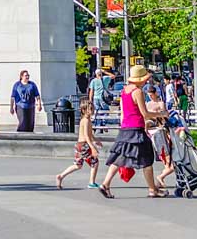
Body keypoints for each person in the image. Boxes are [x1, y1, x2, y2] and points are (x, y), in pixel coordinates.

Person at [98, 65, 164, 199]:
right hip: (136, 129)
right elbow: (144, 113)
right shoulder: (137, 92)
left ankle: (105, 184)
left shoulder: (124, 91)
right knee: (147, 159)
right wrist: (161, 114)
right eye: (145, 79)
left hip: (125, 128)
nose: (146, 82)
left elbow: (123, 111)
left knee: (119, 157)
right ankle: (152, 189)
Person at [56, 98, 101, 189]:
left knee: (78, 165)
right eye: (90, 109)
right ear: (84, 110)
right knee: (95, 162)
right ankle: (91, 182)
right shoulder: (86, 121)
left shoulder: (85, 120)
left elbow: (90, 133)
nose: (92, 111)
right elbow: (87, 136)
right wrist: (92, 147)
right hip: (84, 145)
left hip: (79, 145)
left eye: (93, 108)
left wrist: (96, 140)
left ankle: (61, 176)